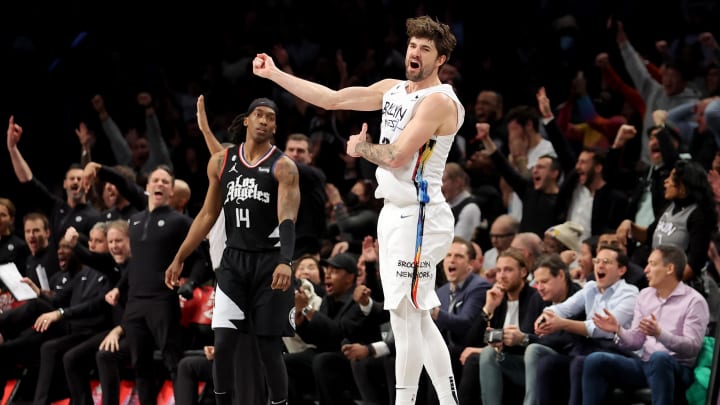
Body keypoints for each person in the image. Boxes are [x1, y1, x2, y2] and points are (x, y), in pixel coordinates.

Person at [253, 15, 464, 404]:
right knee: (414, 315)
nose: (415, 53)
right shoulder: (394, 89)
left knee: (403, 317)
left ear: (441, 59)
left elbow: (399, 155)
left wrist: (359, 149)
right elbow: (333, 98)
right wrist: (276, 76)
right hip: (394, 213)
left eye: (425, 49)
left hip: (419, 215)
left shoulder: (439, 101)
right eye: (412, 46)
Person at [165, 97, 300, 405]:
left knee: (268, 347)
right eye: (259, 115)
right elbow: (207, 215)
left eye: (271, 117)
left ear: (275, 127)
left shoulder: (284, 167)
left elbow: (288, 218)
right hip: (233, 262)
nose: (265, 120)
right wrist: (179, 257)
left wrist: (285, 262)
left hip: (269, 262)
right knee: (223, 341)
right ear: (246, 121)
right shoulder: (222, 162)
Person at [582, 245, 710, 405]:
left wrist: (660, 334)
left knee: (660, 358)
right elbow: (636, 341)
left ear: (669, 268)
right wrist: (618, 330)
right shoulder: (645, 295)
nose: (646, 270)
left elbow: (692, 347)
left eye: (652, 264)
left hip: (677, 368)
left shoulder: (694, 301)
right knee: (596, 360)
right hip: (646, 364)